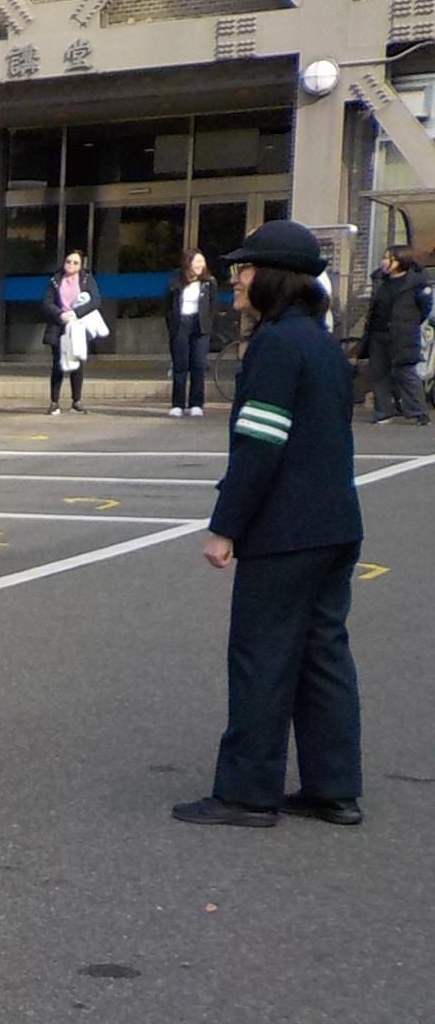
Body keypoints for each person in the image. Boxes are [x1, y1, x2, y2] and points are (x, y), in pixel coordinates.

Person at [173, 221, 365, 830]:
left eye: (245, 272)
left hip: (285, 531)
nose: (235, 283)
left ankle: (247, 792)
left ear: (274, 278)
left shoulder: (277, 346)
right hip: (335, 524)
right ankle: (334, 789)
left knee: (262, 656)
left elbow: (260, 445)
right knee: (322, 655)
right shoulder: (323, 344)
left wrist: (225, 527)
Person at [357, 245, 431, 426]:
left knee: (405, 371)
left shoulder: (416, 283)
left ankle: (418, 411)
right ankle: (383, 412)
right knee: (379, 373)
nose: (384, 262)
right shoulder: (379, 279)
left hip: (403, 334)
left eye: (389, 258)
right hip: (378, 333)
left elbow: (425, 309)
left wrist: (409, 323)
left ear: (401, 261)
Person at [41, 251, 103, 415]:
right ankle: (54, 402)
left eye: (75, 263)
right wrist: (60, 314)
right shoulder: (55, 280)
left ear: (81, 265)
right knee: (58, 365)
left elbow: (95, 300)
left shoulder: (87, 279)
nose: (71, 265)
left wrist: (77, 313)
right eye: (69, 262)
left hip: (78, 326)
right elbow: (47, 302)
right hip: (59, 326)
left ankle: (77, 401)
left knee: (77, 364)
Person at [166, 250, 214, 418]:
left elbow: (212, 306)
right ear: (188, 263)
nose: (200, 266)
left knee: (199, 365)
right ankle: (177, 404)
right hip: (181, 325)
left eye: (202, 262)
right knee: (180, 365)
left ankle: (196, 403)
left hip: (200, 326)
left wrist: (209, 325)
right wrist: (171, 326)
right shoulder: (175, 281)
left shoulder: (209, 282)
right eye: (197, 262)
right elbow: (168, 306)